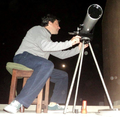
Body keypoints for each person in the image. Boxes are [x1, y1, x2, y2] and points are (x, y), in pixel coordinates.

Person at [4, 14, 88, 113]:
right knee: (47, 64)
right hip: (23, 57)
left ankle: (54, 104)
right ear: (49, 23)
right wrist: (70, 42)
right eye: (57, 24)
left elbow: (62, 55)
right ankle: (18, 102)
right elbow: (45, 46)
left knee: (62, 75)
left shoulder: (47, 40)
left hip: (38, 64)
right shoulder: (37, 30)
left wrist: (78, 49)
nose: (59, 27)